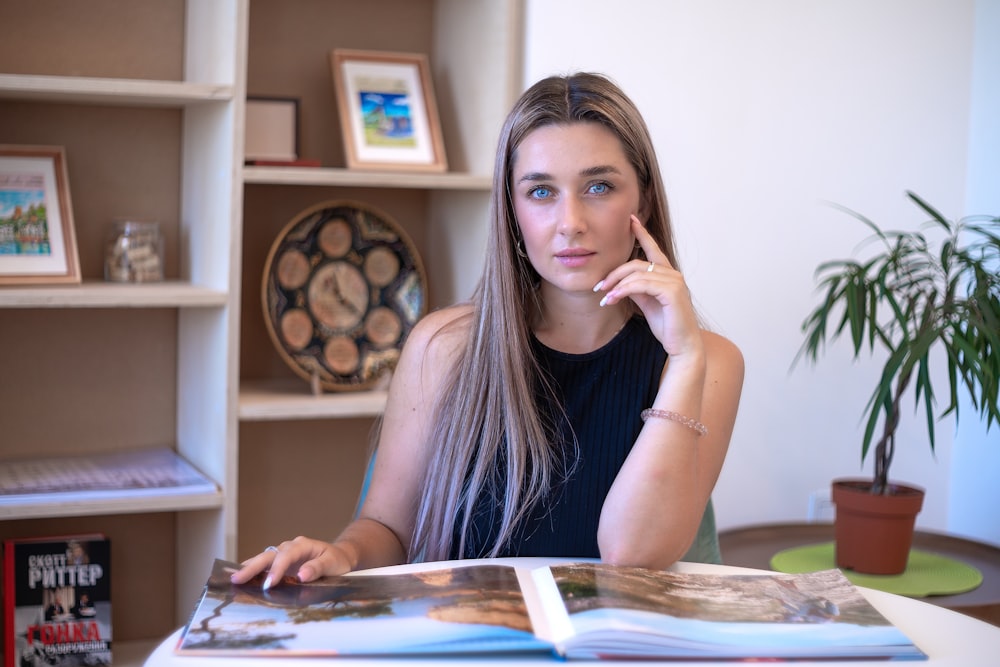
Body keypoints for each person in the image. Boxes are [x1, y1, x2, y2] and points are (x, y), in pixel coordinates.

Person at [233, 72, 744, 590]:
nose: (570, 222)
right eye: (541, 191)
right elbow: (386, 528)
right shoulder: (444, 346)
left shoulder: (708, 362)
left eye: (598, 187)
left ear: (646, 202)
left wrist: (682, 359)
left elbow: (632, 553)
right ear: (512, 208)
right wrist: (340, 554)